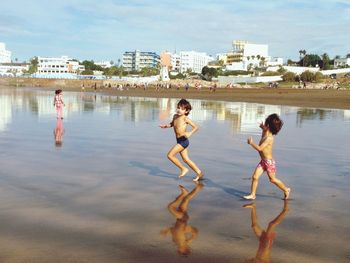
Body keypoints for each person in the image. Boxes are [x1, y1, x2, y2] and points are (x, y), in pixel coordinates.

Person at [244, 114, 290, 200]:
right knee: (255, 177)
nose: (264, 125)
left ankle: (286, 189)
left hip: (269, 162)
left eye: (266, 123)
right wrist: (261, 126)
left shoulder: (269, 138)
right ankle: (253, 194)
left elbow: (260, 149)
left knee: (272, 179)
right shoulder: (265, 131)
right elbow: (264, 129)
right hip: (263, 161)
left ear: (269, 125)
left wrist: (251, 143)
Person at [160, 99, 203, 181]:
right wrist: (165, 126)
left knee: (170, 155)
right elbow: (172, 124)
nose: (179, 110)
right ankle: (199, 172)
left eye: (182, 109)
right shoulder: (175, 116)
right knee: (186, 159)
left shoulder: (185, 118)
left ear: (186, 111)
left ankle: (183, 169)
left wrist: (190, 133)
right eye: (178, 108)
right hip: (179, 140)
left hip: (183, 141)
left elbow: (196, 127)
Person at [160, 183, 203, 256]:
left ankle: (197, 188)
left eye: (179, 251)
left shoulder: (178, 242)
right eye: (180, 251)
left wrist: (167, 231)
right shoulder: (184, 242)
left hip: (181, 218)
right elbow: (194, 231)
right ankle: (185, 193)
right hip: (182, 218)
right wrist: (192, 235)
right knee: (171, 207)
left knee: (185, 200)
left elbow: (174, 231)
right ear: (185, 249)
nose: (178, 250)